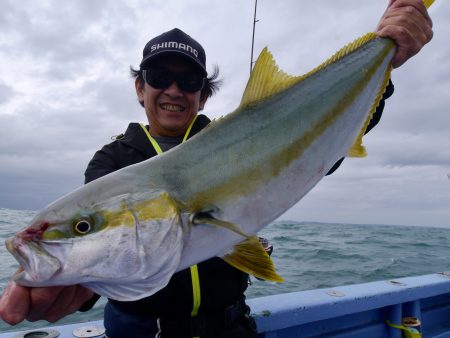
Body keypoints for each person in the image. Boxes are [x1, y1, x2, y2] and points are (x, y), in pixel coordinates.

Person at [0, 1, 433, 337]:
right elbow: (115, 254)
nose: (173, 90)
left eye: (188, 81)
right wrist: (77, 286)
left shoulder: (248, 135)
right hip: (139, 330)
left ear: (203, 96)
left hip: (228, 325)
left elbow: (321, 153)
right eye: (159, 76)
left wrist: (385, 65)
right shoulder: (114, 161)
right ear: (140, 87)